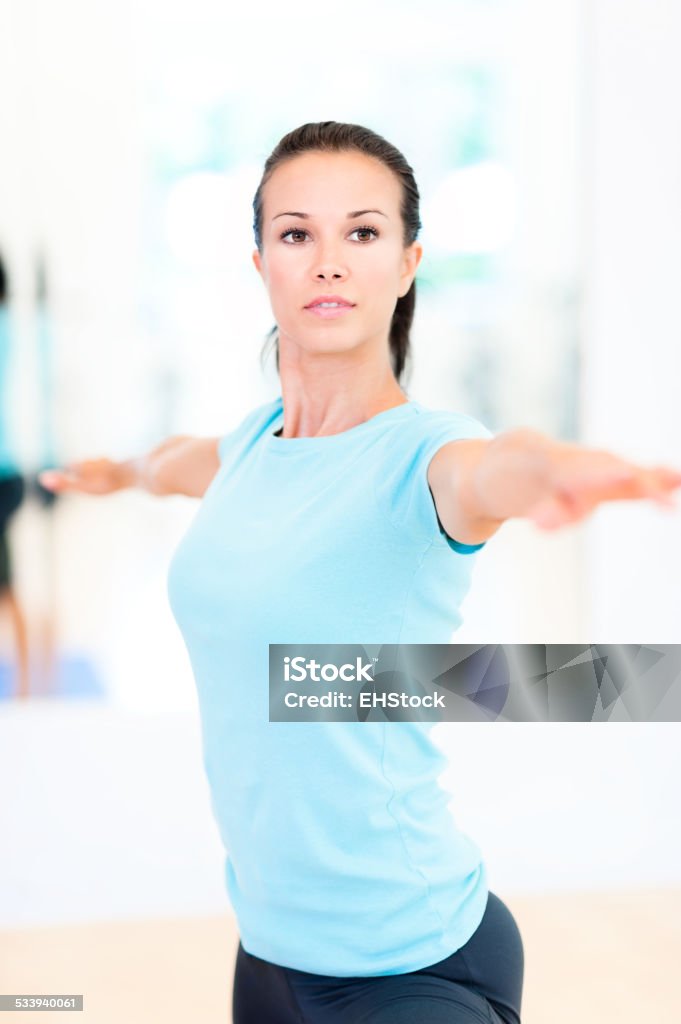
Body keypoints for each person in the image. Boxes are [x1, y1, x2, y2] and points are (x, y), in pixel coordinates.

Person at [39, 121, 681, 1023]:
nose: (329, 261)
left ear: (408, 262)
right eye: (297, 234)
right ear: (259, 261)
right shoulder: (250, 447)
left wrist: (557, 471)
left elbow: (500, 464)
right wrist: (109, 475)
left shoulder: (425, 457)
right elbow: (170, 463)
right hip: (266, 953)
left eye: (364, 232)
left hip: (414, 962)